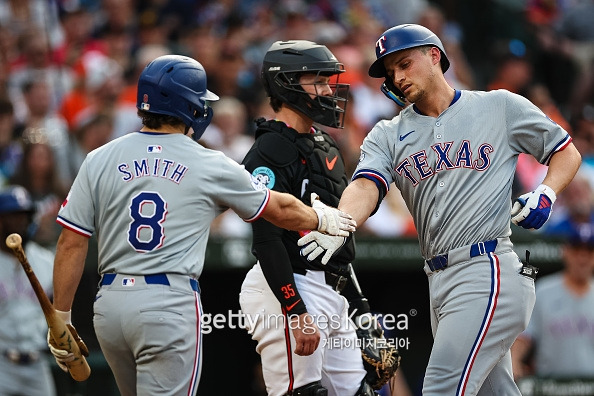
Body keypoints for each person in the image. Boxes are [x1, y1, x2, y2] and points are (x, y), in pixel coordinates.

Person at [45, 54, 355, 396]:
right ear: (187, 104)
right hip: (167, 303)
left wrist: (61, 316)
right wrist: (321, 217)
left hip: (110, 306)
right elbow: (278, 208)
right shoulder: (206, 161)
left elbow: (71, 242)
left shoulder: (99, 158)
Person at [298, 24, 582, 395]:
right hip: (439, 279)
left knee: (441, 387)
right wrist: (340, 220)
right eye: (390, 71)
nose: (398, 77)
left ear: (434, 55)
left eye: (404, 63)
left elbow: (565, 151)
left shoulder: (498, 105)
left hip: (488, 268)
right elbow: (366, 184)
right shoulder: (387, 133)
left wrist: (546, 191)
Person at [239, 40, 383, 396]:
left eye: (326, 81)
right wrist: (296, 310)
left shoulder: (325, 144)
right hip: (287, 285)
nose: (326, 90)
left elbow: (337, 239)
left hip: (329, 288)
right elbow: (267, 240)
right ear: (285, 83)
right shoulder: (269, 150)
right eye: (316, 81)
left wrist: (359, 306)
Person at [511, 224, 594, 380]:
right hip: (551, 387)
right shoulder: (543, 290)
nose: (582, 258)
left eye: (588, 252)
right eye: (577, 250)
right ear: (565, 252)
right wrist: (514, 361)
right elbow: (525, 336)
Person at [0, 185, 56, 396]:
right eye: (12, 216)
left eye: (24, 216)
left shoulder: (46, 261)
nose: (19, 222)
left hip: (37, 362)